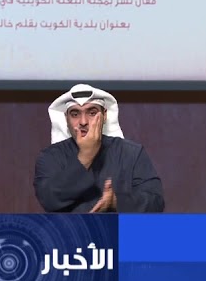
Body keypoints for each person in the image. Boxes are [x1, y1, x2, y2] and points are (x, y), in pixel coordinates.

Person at [34, 83, 165, 213]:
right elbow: (48, 199)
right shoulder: (50, 157)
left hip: (119, 227)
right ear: (66, 119)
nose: (83, 122)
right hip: (70, 227)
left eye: (92, 113)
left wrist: (116, 201)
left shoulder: (131, 153)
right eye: (75, 114)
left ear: (105, 115)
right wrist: (85, 156)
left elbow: (156, 203)